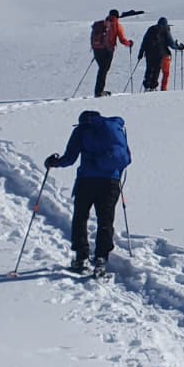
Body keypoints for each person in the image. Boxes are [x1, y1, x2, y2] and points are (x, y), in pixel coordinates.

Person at [45, 110, 131, 276]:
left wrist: (54, 162)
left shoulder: (82, 130)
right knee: (105, 219)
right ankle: (101, 258)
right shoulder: (115, 129)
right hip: (111, 182)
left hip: (87, 180)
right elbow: (125, 156)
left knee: (80, 217)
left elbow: (69, 158)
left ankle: (81, 257)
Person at [90, 8, 133, 97]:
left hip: (97, 49)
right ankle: (99, 92)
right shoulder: (117, 25)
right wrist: (129, 43)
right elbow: (122, 40)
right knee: (103, 70)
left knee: (101, 70)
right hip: (108, 50)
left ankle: (99, 90)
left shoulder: (101, 23)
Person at [138, 17, 184, 92]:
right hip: (160, 53)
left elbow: (144, 41)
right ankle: (153, 87)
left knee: (149, 69)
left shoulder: (151, 29)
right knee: (156, 70)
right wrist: (179, 47)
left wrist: (140, 53)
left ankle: (147, 86)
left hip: (149, 53)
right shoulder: (165, 30)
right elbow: (172, 44)